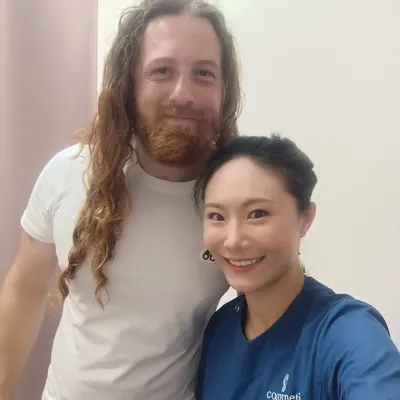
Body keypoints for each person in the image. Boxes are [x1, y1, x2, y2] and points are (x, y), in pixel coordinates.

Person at [0, 0, 242, 399]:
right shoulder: (70, 172)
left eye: (203, 73)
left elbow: (279, 308)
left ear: (223, 89)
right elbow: (23, 290)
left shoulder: (236, 202)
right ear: (129, 84)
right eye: (162, 71)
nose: (183, 94)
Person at [193, 135, 400, 400]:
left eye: (257, 214)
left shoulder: (348, 331)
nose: (233, 241)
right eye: (217, 216)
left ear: (305, 218)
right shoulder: (219, 328)